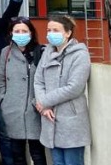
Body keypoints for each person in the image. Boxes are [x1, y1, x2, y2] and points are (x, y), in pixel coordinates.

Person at [34, 16, 91, 165]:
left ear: (68, 33)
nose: (51, 33)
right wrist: (44, 107)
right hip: (49, 118)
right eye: (49, 30)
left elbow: (74, 87)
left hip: (71, 121)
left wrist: (44, 101)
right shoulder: (47, 53)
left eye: (56, 30)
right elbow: (38, 81)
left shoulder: (80, 54)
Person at [0, 17, 46, 165]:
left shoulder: (41, 52)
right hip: (12, 109)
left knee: (37, 153)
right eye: (17, 31)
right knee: (17, 154)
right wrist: (3, 99)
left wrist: (39, 101)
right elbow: (1, 77)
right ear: (11, 33)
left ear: (31, 33)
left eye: (24, 31)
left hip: (35, 109)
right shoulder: (5, 52)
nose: (20, 34)